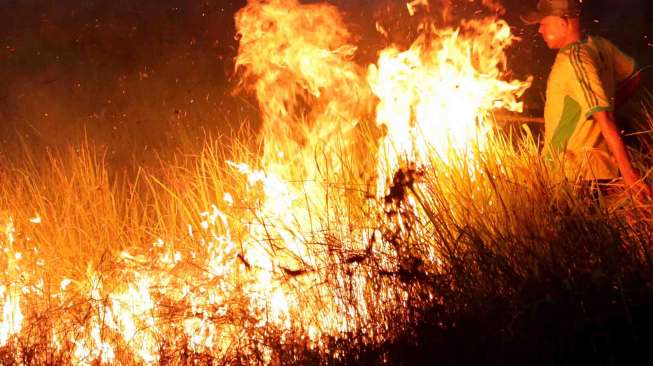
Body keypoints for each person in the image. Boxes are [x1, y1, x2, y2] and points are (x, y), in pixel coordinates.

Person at [521, 0, 650, 197]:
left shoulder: (573, 60)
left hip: (574, 177)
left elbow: (603, 118)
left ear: (563, 23)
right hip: (600, 171)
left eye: (544, 23)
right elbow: (636, 74)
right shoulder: (600, 47)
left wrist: (630, 175)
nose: (540, 30)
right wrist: (608, 106)